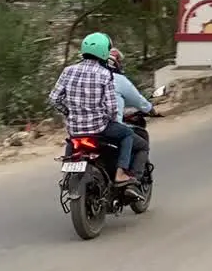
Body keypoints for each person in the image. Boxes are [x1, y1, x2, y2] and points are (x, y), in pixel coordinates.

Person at [49, 33, 141, 196]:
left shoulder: (68, 71)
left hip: (75, 129)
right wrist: (111, 119)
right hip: (99, 128)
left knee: (71, 139)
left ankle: (67, 176)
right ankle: (120, 174)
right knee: (127, 135)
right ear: (105, 52)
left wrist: (69, 112)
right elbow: (112, 108)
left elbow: (54, 98)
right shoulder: (105, 74)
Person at [106, 48, 156, 178]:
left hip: (79, 127)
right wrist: (150, 109)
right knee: (138, 142)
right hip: (107, 126)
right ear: (117, 63)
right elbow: (138, 100)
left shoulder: (86, 78)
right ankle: (128, 177)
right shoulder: (118, 79)